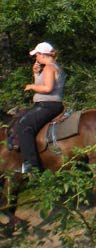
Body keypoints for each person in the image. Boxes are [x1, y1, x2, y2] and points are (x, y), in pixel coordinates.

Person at [17, 42, 66, 173]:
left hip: (48, 105)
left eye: (36, 55)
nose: (36, 58)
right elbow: (44, 84)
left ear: (42, 54)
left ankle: (32, 165)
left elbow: (48, 88)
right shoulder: (50, 67)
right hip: (47, 104)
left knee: (24, 125)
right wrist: (36, 74)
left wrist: (32, 86)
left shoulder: (49, 68)